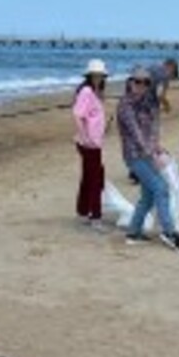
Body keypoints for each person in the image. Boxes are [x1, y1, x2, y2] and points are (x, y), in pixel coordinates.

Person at [118, 67, 179, 251]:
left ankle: (133, 232)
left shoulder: (148, 102)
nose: (141, 85)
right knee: (161, 189)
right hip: (134, 156)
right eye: (137, 81)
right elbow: (136, 133)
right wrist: (152, 153)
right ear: (130, 82)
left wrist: (157, 146)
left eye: (146, 82)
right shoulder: (125, 105)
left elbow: (153, 127)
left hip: (146, 153)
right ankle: (169, 232)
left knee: (148, 197)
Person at [72, 59, 108, 229]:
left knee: (90, 177)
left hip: (94, 143)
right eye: (95, 75)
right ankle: (95, 216)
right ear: (89, 75)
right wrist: (85, 136)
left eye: (100, 76)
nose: (98, 78)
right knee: (96, 179)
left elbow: (92, 116)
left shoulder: (95, 91)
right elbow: (78, 115)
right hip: (89, 144)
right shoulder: (86, 91)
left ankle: (84, 211)